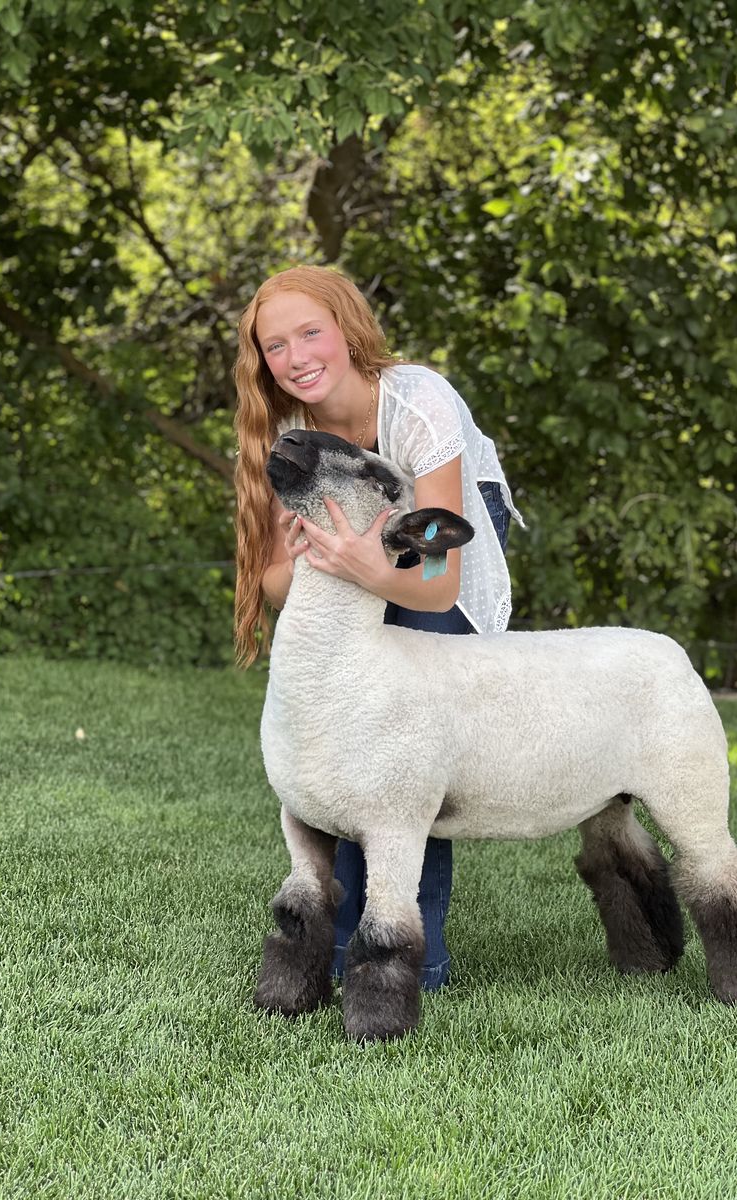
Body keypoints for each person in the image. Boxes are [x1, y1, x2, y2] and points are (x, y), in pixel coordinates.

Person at [233, 265, 522, 991]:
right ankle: (331, 951)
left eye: (310, 332)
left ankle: (409, 961)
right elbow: (272, 586)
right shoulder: (291, 435)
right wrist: (306, 563)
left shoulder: (418, 402)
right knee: (347, 725)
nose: (296, 357)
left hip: (443, 522)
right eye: (276, 346)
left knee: (402, 737)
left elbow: (439, 578)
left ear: (348, 328)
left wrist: (367, 569)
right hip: (357, 552)